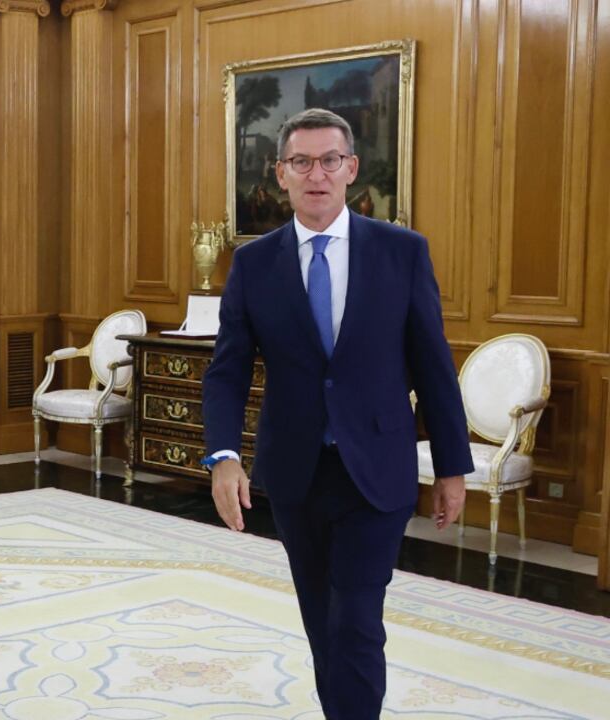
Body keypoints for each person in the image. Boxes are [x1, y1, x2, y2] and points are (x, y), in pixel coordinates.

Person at [201, 108, 474, 720]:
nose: (316, 174)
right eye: (301, 162)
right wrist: (223, 455)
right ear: (280, 174)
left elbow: (433, 366)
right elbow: (227, 370)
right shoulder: (254, 264)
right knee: (322, 619)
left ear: (351, 168)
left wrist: (451, 467)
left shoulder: (402, 252)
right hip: (295, 473)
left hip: (376, 470)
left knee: (355, 616)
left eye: (329, 160)